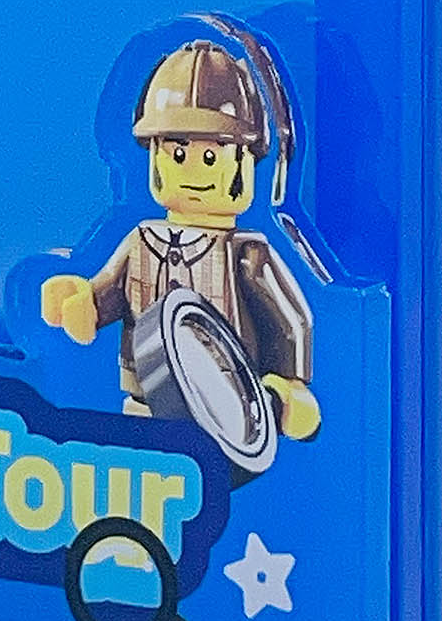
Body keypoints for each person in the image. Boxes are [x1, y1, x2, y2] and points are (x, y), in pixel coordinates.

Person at [38, 39, 319, 442]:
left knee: (212, 469)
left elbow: (287, 320)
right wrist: (82, 301)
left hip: (226, 410)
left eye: (211, 157)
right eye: (179, 154)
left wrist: (290, 384)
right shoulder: (141, 243)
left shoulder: (246, 255)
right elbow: (111, 290)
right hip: (144, 401)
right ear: (154, 154)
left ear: (245, 159)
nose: (194, 170)